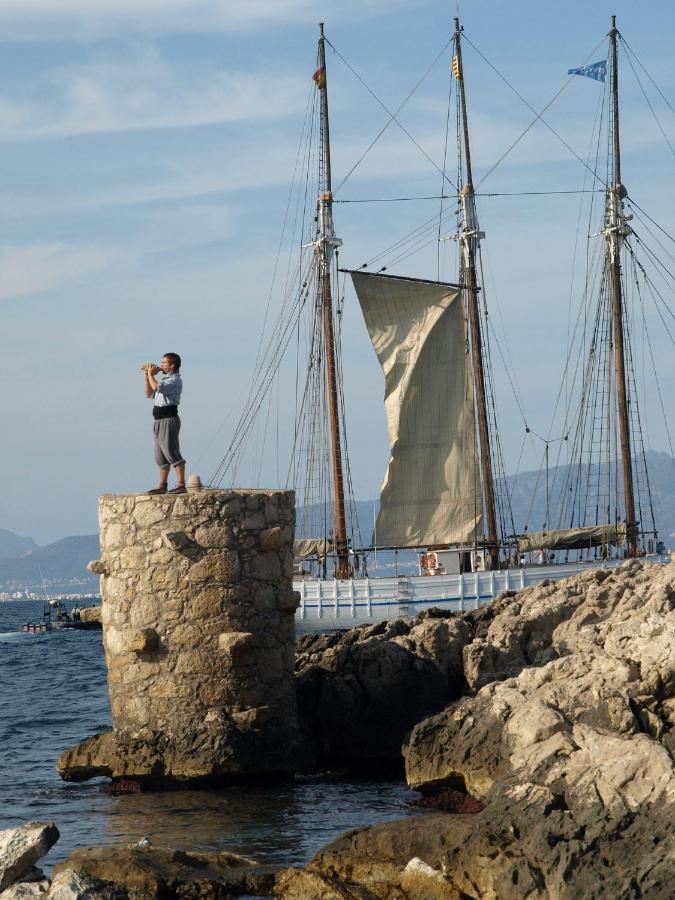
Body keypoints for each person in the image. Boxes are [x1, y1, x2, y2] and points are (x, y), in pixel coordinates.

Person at [143, 353, 186, 494]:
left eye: (164, 363)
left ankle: (180, 483)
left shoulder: (174, 381)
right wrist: (146, 377)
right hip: (159, 420)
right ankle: (162, 484)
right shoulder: (164, 380)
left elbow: (156, 387)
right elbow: (149, 393)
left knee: (171, 451)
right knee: (160, 455)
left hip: (169, 419)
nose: (161, 365)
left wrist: (151, 374)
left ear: (172, 365)